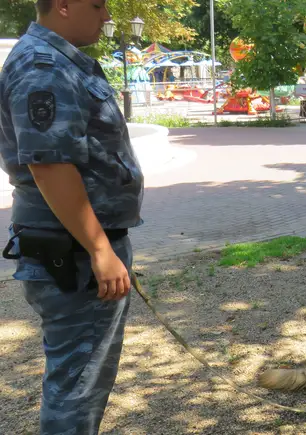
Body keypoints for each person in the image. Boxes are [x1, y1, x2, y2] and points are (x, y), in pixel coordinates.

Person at [0, 1, 144, 434]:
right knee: (76, 386)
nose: (105, 16)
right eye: (97, 5)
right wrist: (101, 250)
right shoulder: (44, 65)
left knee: (81, 380)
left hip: (79, 246)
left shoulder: (59, 60)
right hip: (75, 252)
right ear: (62, 5)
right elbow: (49, 165)